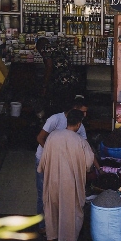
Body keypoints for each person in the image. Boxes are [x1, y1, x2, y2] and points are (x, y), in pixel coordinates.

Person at [38, 108, 95, 241]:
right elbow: (89, 164)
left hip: (53, 182)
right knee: (72, 212)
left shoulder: (52, 137)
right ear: (78, 124)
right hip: (72, 183)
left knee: (51, 211)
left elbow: (43, 162)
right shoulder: (80, 141)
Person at [35, 97, 91, 229]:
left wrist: (98, 166)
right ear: (75, 109)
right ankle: (43, 226)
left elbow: (85, 145)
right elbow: (40, 138)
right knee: (43, 193)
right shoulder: (55, 119)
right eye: (83, 111)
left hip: (60, 162)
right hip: (44, 159)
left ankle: (56, 226)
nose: (85, 115)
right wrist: (52, 154)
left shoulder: (79, 125)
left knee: (56, 194)